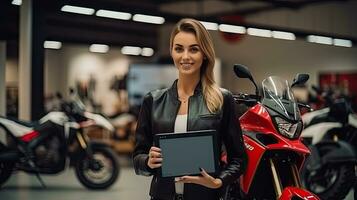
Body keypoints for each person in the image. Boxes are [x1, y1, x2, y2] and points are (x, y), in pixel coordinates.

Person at [133, 18, 247, 200]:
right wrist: (147, 162)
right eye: (179, 49)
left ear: (204, 53)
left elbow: (239, 160)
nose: (185, 56)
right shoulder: (153, 100)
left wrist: (218, 182)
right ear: (172, 52)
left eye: (193, 49)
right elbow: (138, 158)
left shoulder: (222, 99)